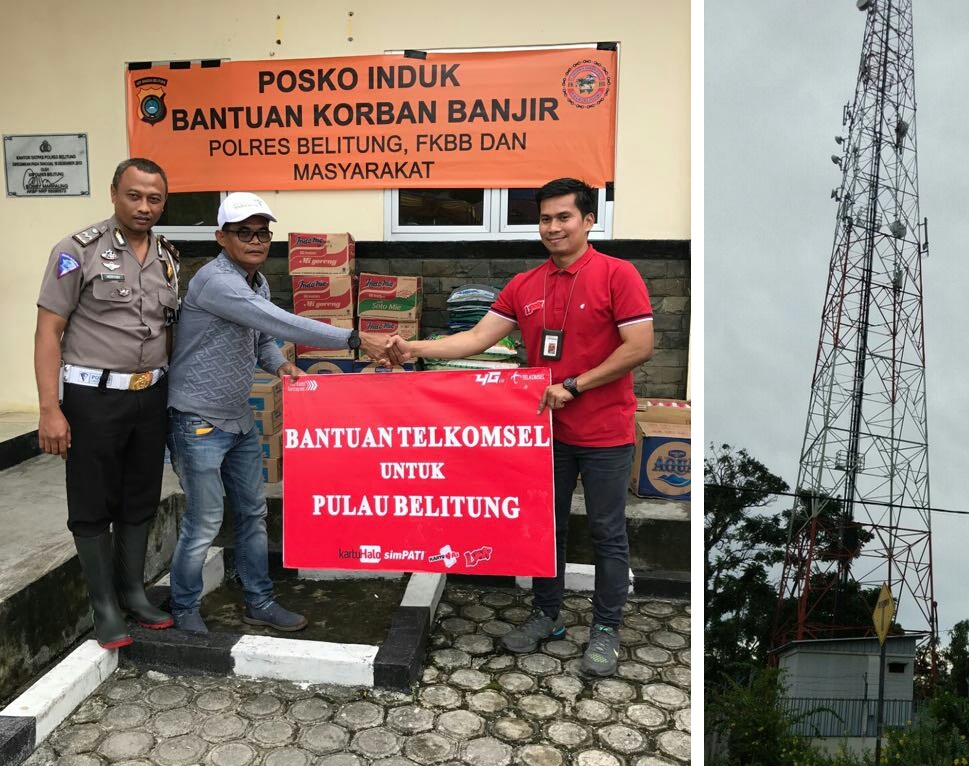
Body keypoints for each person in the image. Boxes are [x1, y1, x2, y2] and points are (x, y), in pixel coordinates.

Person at [390, 178, 654, 676]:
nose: (553, 227)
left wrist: (574, 385)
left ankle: (604, 630)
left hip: (604, 433)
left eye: (564, 217)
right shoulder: (525, 285)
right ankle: (547, 614)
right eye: (546, 219)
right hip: (544, 434)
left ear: (588, 220)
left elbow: (638, 347)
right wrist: (416, 348)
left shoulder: (619, 275)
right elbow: (474, 338)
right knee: (545, 530)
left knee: (606, 534)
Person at [167, 192, 392, 635]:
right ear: (220, 237)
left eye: (262, 232)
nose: (255, 240)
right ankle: (184, 606)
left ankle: (260, 600)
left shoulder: (255, 282)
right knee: (205, 520)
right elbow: (279, 323)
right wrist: (354, 339)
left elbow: (261, 338)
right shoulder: (216, 281)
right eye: (243, 232)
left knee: (253, 513)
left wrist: (283, 365)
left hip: (238, 418)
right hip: (197, 419)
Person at [34, 158, 179, 649]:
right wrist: (50, 409)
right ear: (115, 193)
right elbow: (48, 332)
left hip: (149, 395)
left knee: (140, 496)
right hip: (92, 397)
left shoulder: (167, 257)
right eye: (134, 195)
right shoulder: (76, 251)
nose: (144, 206)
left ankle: (134, 593)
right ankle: (104, 607)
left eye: (154, 198)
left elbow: (169, 332)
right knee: (93, 499)